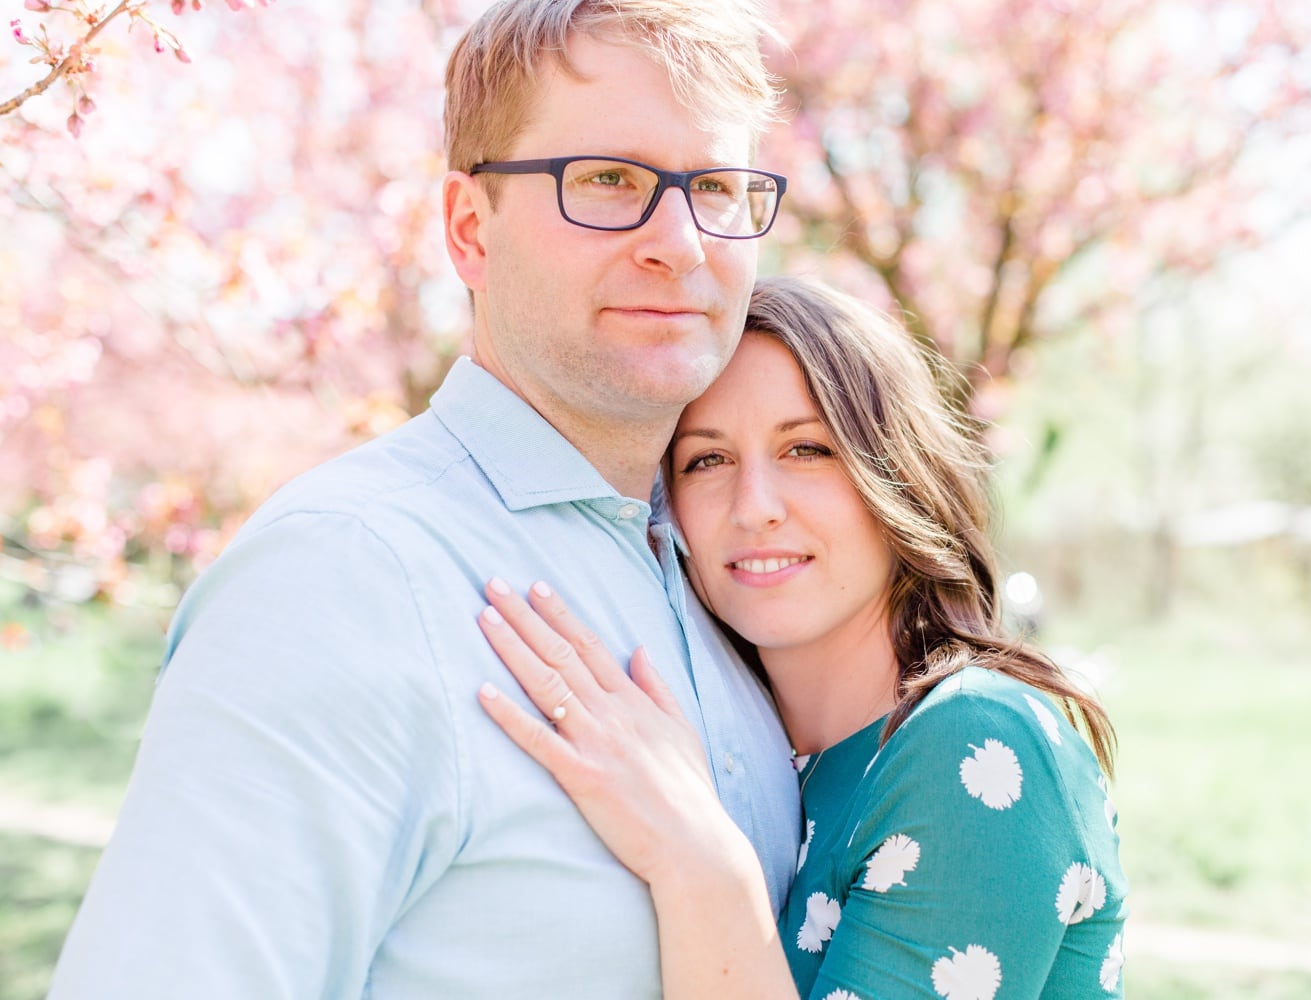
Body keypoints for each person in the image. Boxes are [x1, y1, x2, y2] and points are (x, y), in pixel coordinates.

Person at [47, 2, 800, 997]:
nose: (682, 242)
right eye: (609, 180)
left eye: (717, 187)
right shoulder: (340, 579)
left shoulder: (734, 580)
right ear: (469, 230)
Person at [474, 275, 1130, 998]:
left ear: (897, 472)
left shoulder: (974, 738)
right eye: (707, 460)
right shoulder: (764, 758)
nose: (754, 508)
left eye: (807, 449)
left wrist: (698, 858)